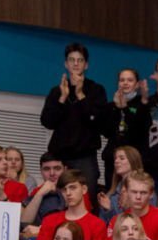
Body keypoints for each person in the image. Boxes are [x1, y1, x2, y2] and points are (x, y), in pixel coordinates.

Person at [42, 43, 109, 191]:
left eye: (80, 60)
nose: (76, 64)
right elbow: (47, 122)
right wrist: (62, 98)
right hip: (59, 155)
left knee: (86, 196)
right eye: (72, 60)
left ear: (86, 65)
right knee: (57, 196)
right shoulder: (57, 91)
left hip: (85, 156)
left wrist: (80, 95)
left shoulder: (96, 90)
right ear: (66, 64)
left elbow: (98, 121)